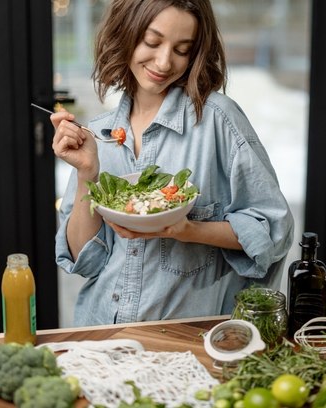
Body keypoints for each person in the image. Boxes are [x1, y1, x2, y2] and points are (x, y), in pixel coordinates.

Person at [51, 0, 295, 326]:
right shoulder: (97, 135)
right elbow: (86, 261)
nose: (164, 62)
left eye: (182, 49)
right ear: (126, 34)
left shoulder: (218, 121)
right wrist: (87, 173)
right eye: (152, 42)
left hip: (187, 340)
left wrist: (189, 229)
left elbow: (273, 230)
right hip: (101, 332)